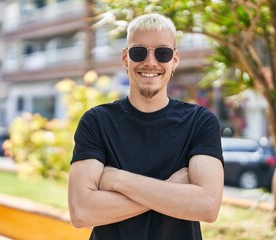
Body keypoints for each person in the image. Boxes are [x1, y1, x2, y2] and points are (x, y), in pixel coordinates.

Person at [68, 13, 224, 240]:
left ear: (175, 60)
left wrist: (118, 180)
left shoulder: (200, 122)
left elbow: (207, 206)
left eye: (162, 53)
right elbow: (81, 212)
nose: (150, 62)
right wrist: (171, 189)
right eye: (139, 52)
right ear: (125, 58)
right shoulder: (97, 122)